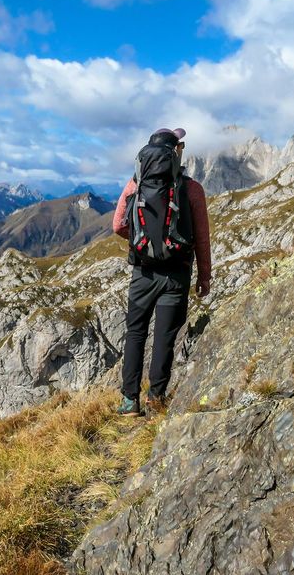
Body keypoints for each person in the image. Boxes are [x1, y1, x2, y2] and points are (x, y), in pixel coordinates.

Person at [112, 128, 211, 417]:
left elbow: (118, 225)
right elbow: (202, 237)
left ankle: (130, 401)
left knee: (135, 333)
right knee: (165, 336)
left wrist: (142, 242)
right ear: (175, 151)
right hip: (176, 274)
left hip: (143, 272)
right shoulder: (192, 189)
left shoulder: (135, 185)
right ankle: (156, 398)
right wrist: (204, 276)